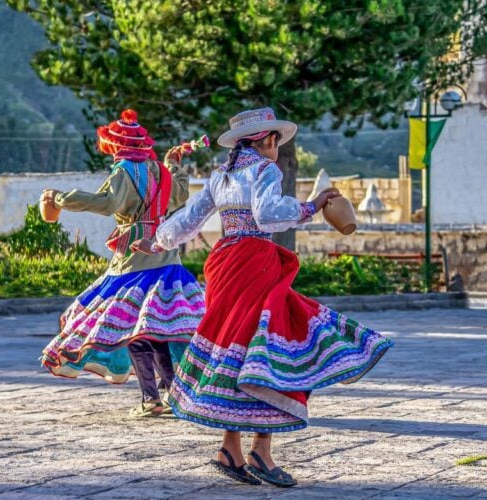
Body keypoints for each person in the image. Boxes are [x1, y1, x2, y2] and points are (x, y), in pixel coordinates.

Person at [132, 107, 393, 485]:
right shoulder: (265, 170)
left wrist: (156, 242)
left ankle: (231, 448)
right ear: (268, 140)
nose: (277, 146)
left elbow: (189, 218)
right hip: (254, 263)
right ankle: (260, 451)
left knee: (236, 352)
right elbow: (269, 214)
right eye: (276, 140)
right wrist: (311, 206)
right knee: (269, 352)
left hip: (223, 264)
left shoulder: (221, 175)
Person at [39, 109, 206, 417]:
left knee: (134, 332)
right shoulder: (159, 170)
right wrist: (173, 165)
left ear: (115, 146)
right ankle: (173, 395)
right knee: (158, 331)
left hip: (132, 261)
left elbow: (107, 204)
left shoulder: (124, 171)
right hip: (166, 255)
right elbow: (180, 194)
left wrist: (62, 199)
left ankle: (150, 399)